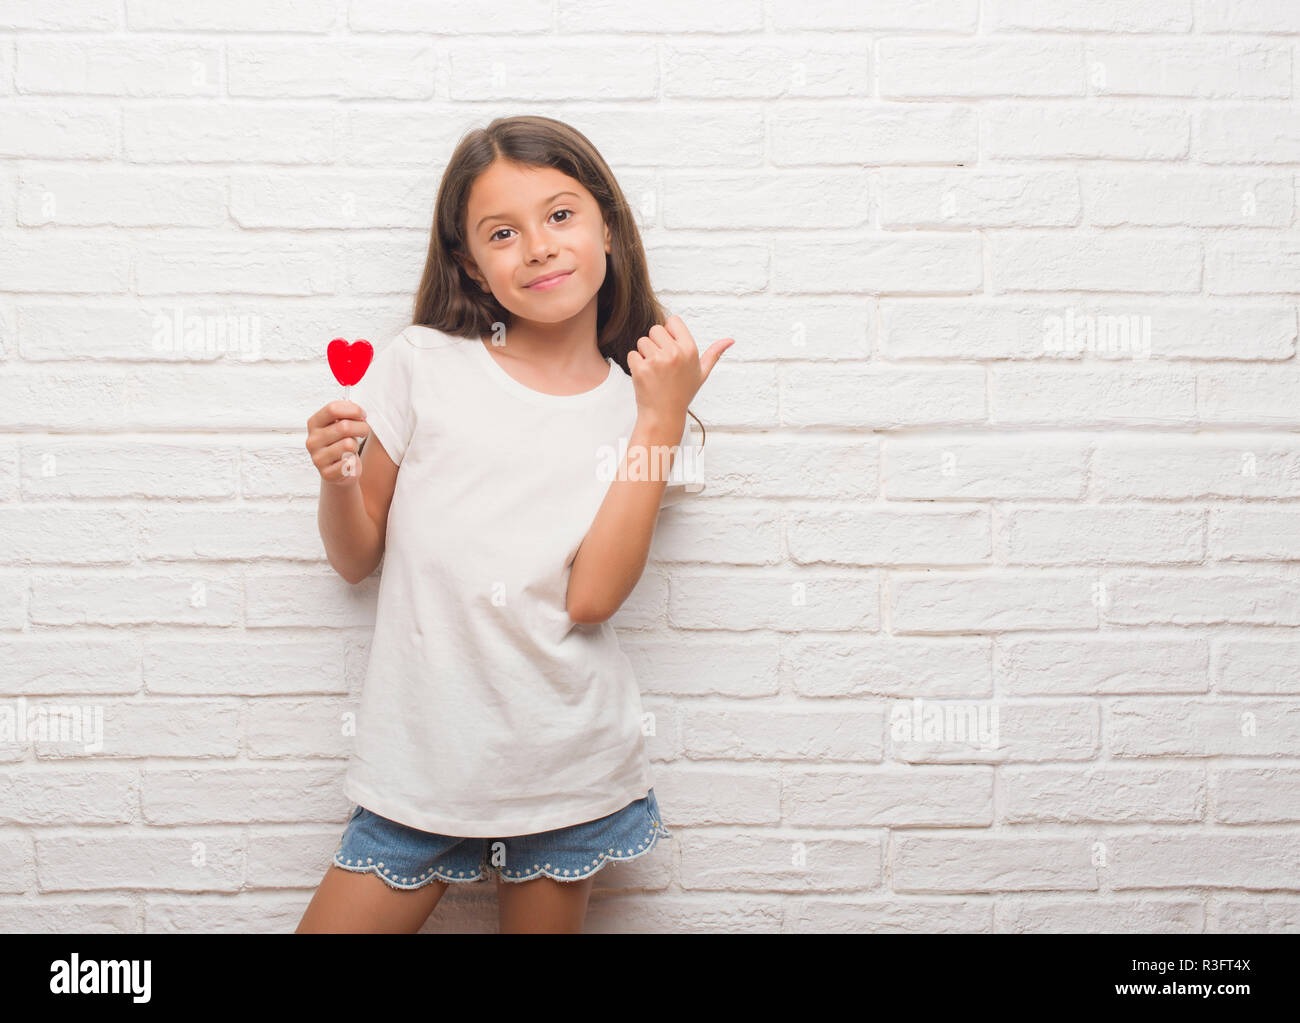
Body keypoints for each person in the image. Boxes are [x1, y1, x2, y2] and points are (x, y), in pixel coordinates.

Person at [298, 115, 733, 933]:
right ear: (469, 261)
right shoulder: (420, 363)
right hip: (419, 764)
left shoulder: (637, 410)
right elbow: (356, 556)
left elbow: (594, 596)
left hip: (562, 765)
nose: (538, 246)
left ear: (607, 222)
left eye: (561, 215)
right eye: (504, 232)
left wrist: (660, 421)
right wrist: (338, 476)